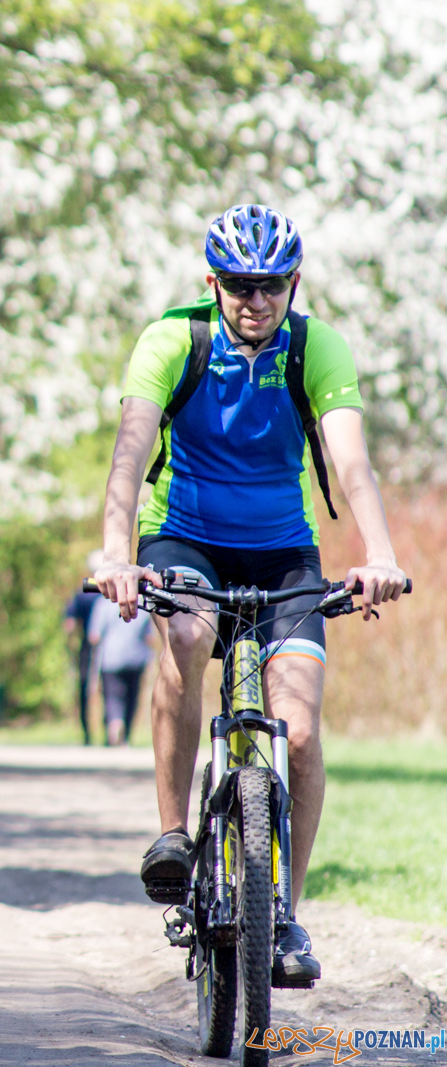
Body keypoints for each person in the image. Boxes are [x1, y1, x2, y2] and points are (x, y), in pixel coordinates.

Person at [93, 204, 407, 985]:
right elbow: (130, 455)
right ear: (213, 281)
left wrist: (380, 553)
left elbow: (352, 462)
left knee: (298, 730)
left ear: (292, 283)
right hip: (184, 538)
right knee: (190, 635)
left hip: (282, 555)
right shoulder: (175, 338)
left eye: (270, 286)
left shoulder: (316, 347)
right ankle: (172, 833)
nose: (255, 300)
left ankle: (288, 914)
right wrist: (113, 552)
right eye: (238, 284)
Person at [86, 595, 154, 745]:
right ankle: (126, 735)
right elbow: (149, 637)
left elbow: (94, 636)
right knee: (131, 697)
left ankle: (115, 723)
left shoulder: (103, 603)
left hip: (110, 658)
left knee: (112, 696)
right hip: (136, 658)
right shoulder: (142, 603)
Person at [63, 550, 104, 745]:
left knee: (84, 689)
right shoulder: (112, 592)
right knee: (110, 689)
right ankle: (111, 731)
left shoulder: (82, 593)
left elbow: (69, 624)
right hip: (109, 647)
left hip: (87, 647)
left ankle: (87, 734)